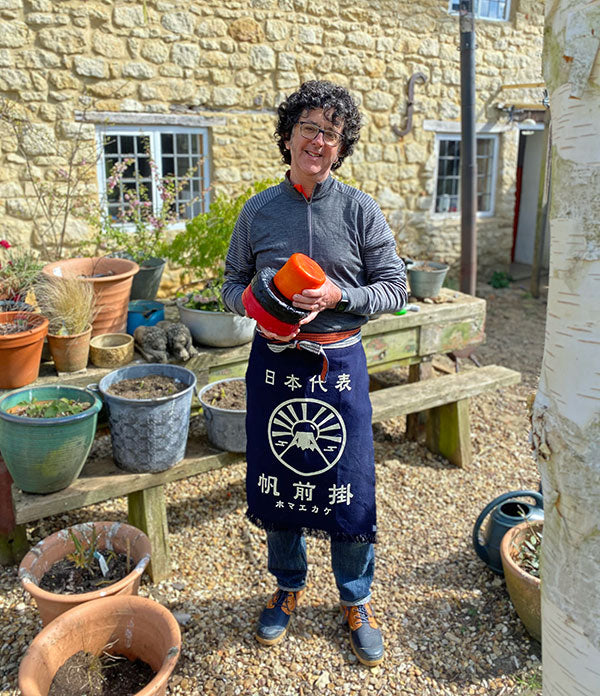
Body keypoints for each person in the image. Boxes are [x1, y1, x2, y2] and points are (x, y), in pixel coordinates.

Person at [221, 80, 407, 667]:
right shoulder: (257, 210)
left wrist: (338, 295)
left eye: (331, 132)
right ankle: (288, 586)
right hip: (274, 365)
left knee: (348, 486)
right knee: (279, 480)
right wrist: (256, 311)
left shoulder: (359, 209)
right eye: (309, 128)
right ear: (288, 135)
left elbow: (396, 290)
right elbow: (228, 286)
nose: (319, 141)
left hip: (340, 364)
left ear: (341, 144)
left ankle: (355, 599)